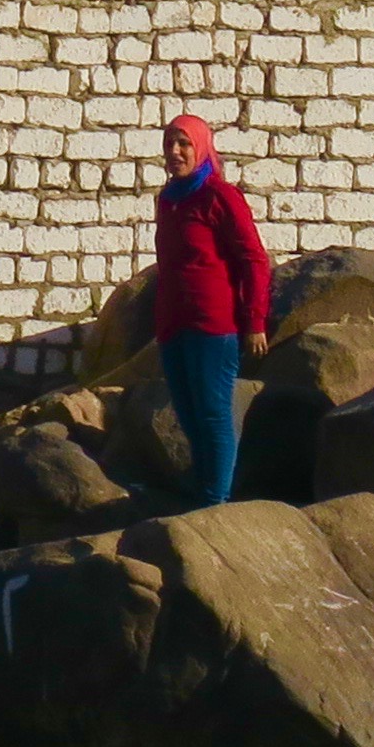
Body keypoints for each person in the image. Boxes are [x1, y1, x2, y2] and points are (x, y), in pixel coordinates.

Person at [151, 113, 271, 504]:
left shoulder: (220, 196)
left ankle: (214, 502)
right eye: (170, 143)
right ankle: (202, 491)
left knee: (213, 414)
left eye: (184, 143)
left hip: (213, 325)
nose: (175, 152)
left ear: (200, 147)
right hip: (174, 325)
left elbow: (253, 259)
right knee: (187, 415)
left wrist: (254, 321)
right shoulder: (168, 200)